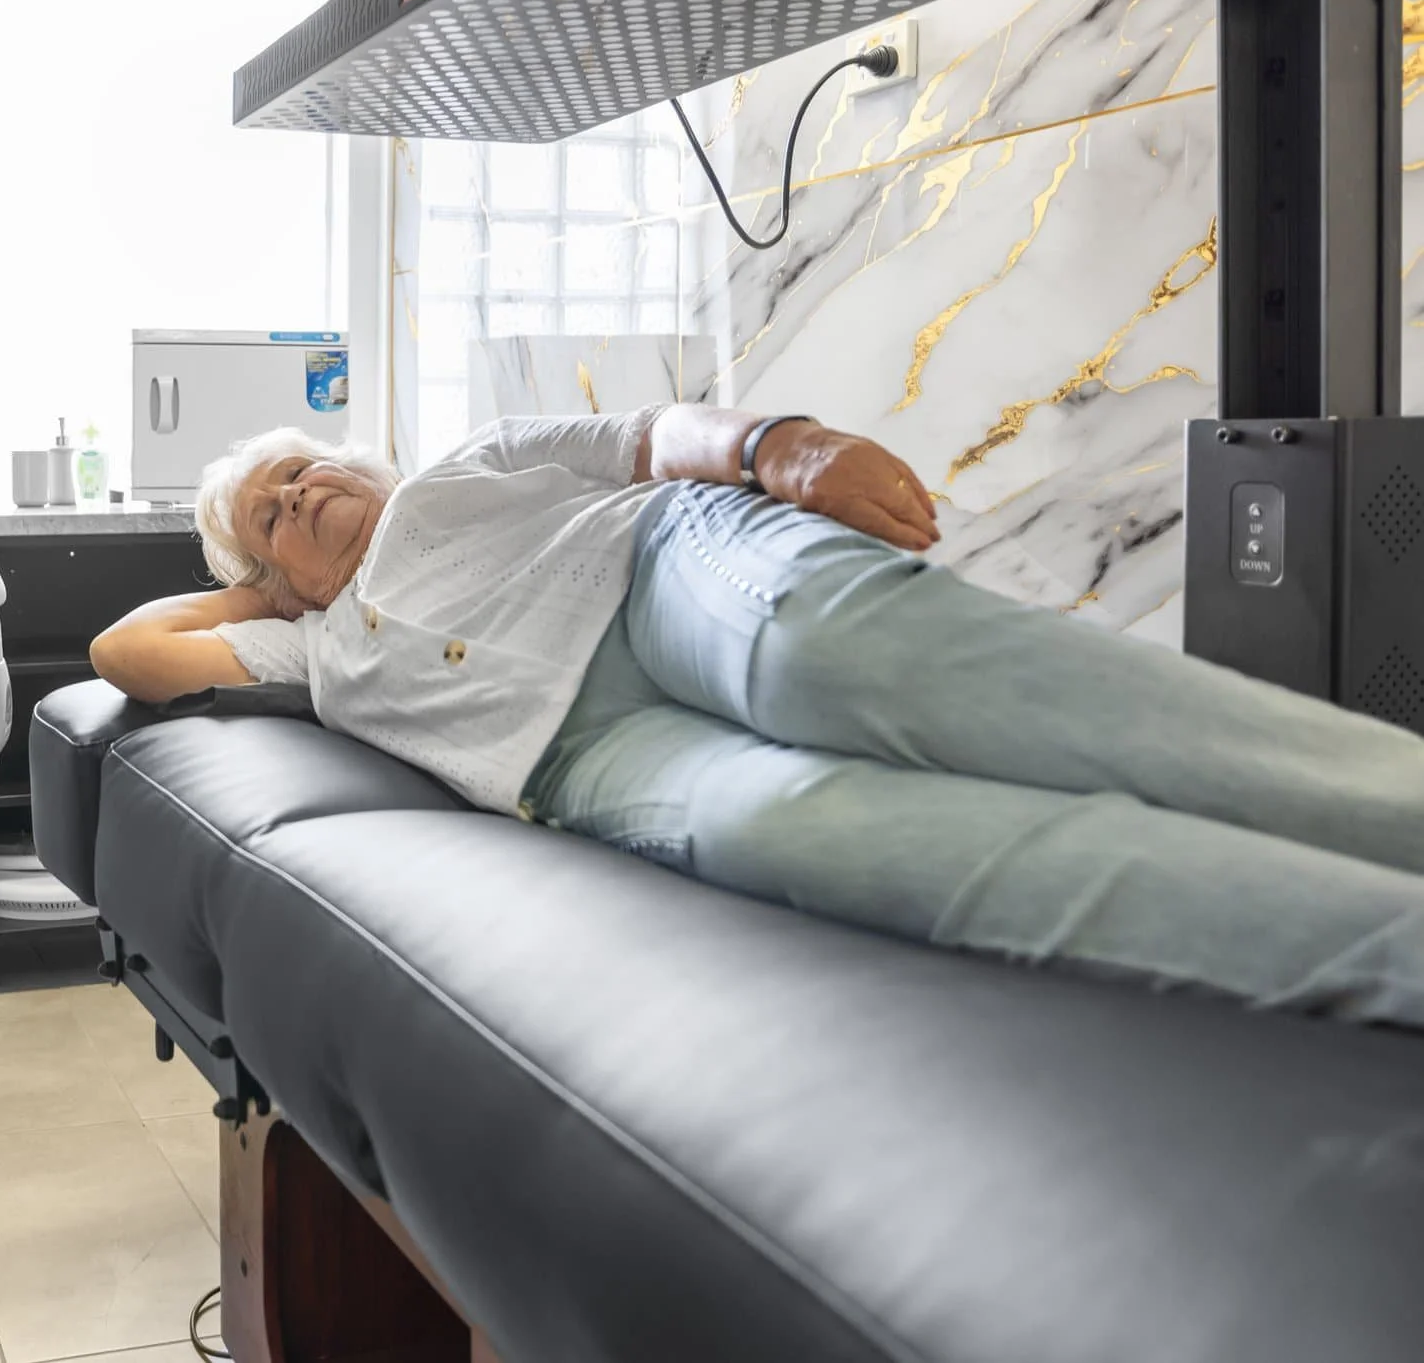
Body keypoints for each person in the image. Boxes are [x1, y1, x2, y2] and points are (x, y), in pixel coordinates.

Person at [92, 403, 1424, 1028]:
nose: (307, 484)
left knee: (850, 662)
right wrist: (267, 590)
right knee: (822, 832)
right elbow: (127, 649)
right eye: (274, 505)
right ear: (267, 575)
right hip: (589, 760)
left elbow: (647, 432)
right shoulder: (310, 652)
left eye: (311, 460)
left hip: (670, 575)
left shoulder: (455, 473)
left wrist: (777, 444)